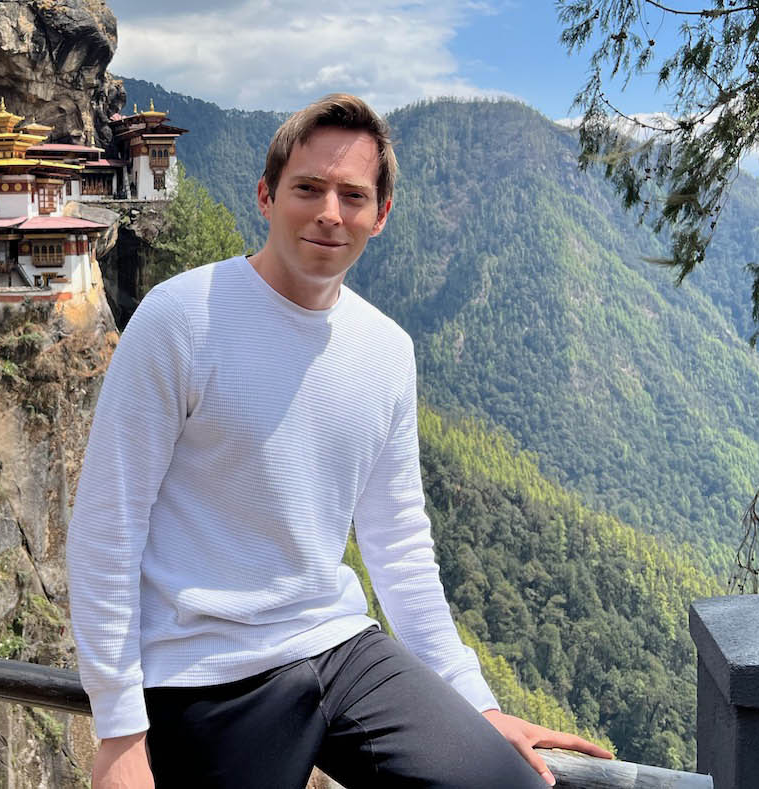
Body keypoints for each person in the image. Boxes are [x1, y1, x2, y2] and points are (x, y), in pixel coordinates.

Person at [67, 94, 613, 789]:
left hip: (338, 642)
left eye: (353, 195)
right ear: (266, 196)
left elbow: (400, 546)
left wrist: (472, 700)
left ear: (380, 215)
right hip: (206, 664)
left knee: (512, 784)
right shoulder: (180, 320)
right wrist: (118, 730)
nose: (330, 210)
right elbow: (107, 529)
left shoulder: (386, 350)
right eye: (308, 188)